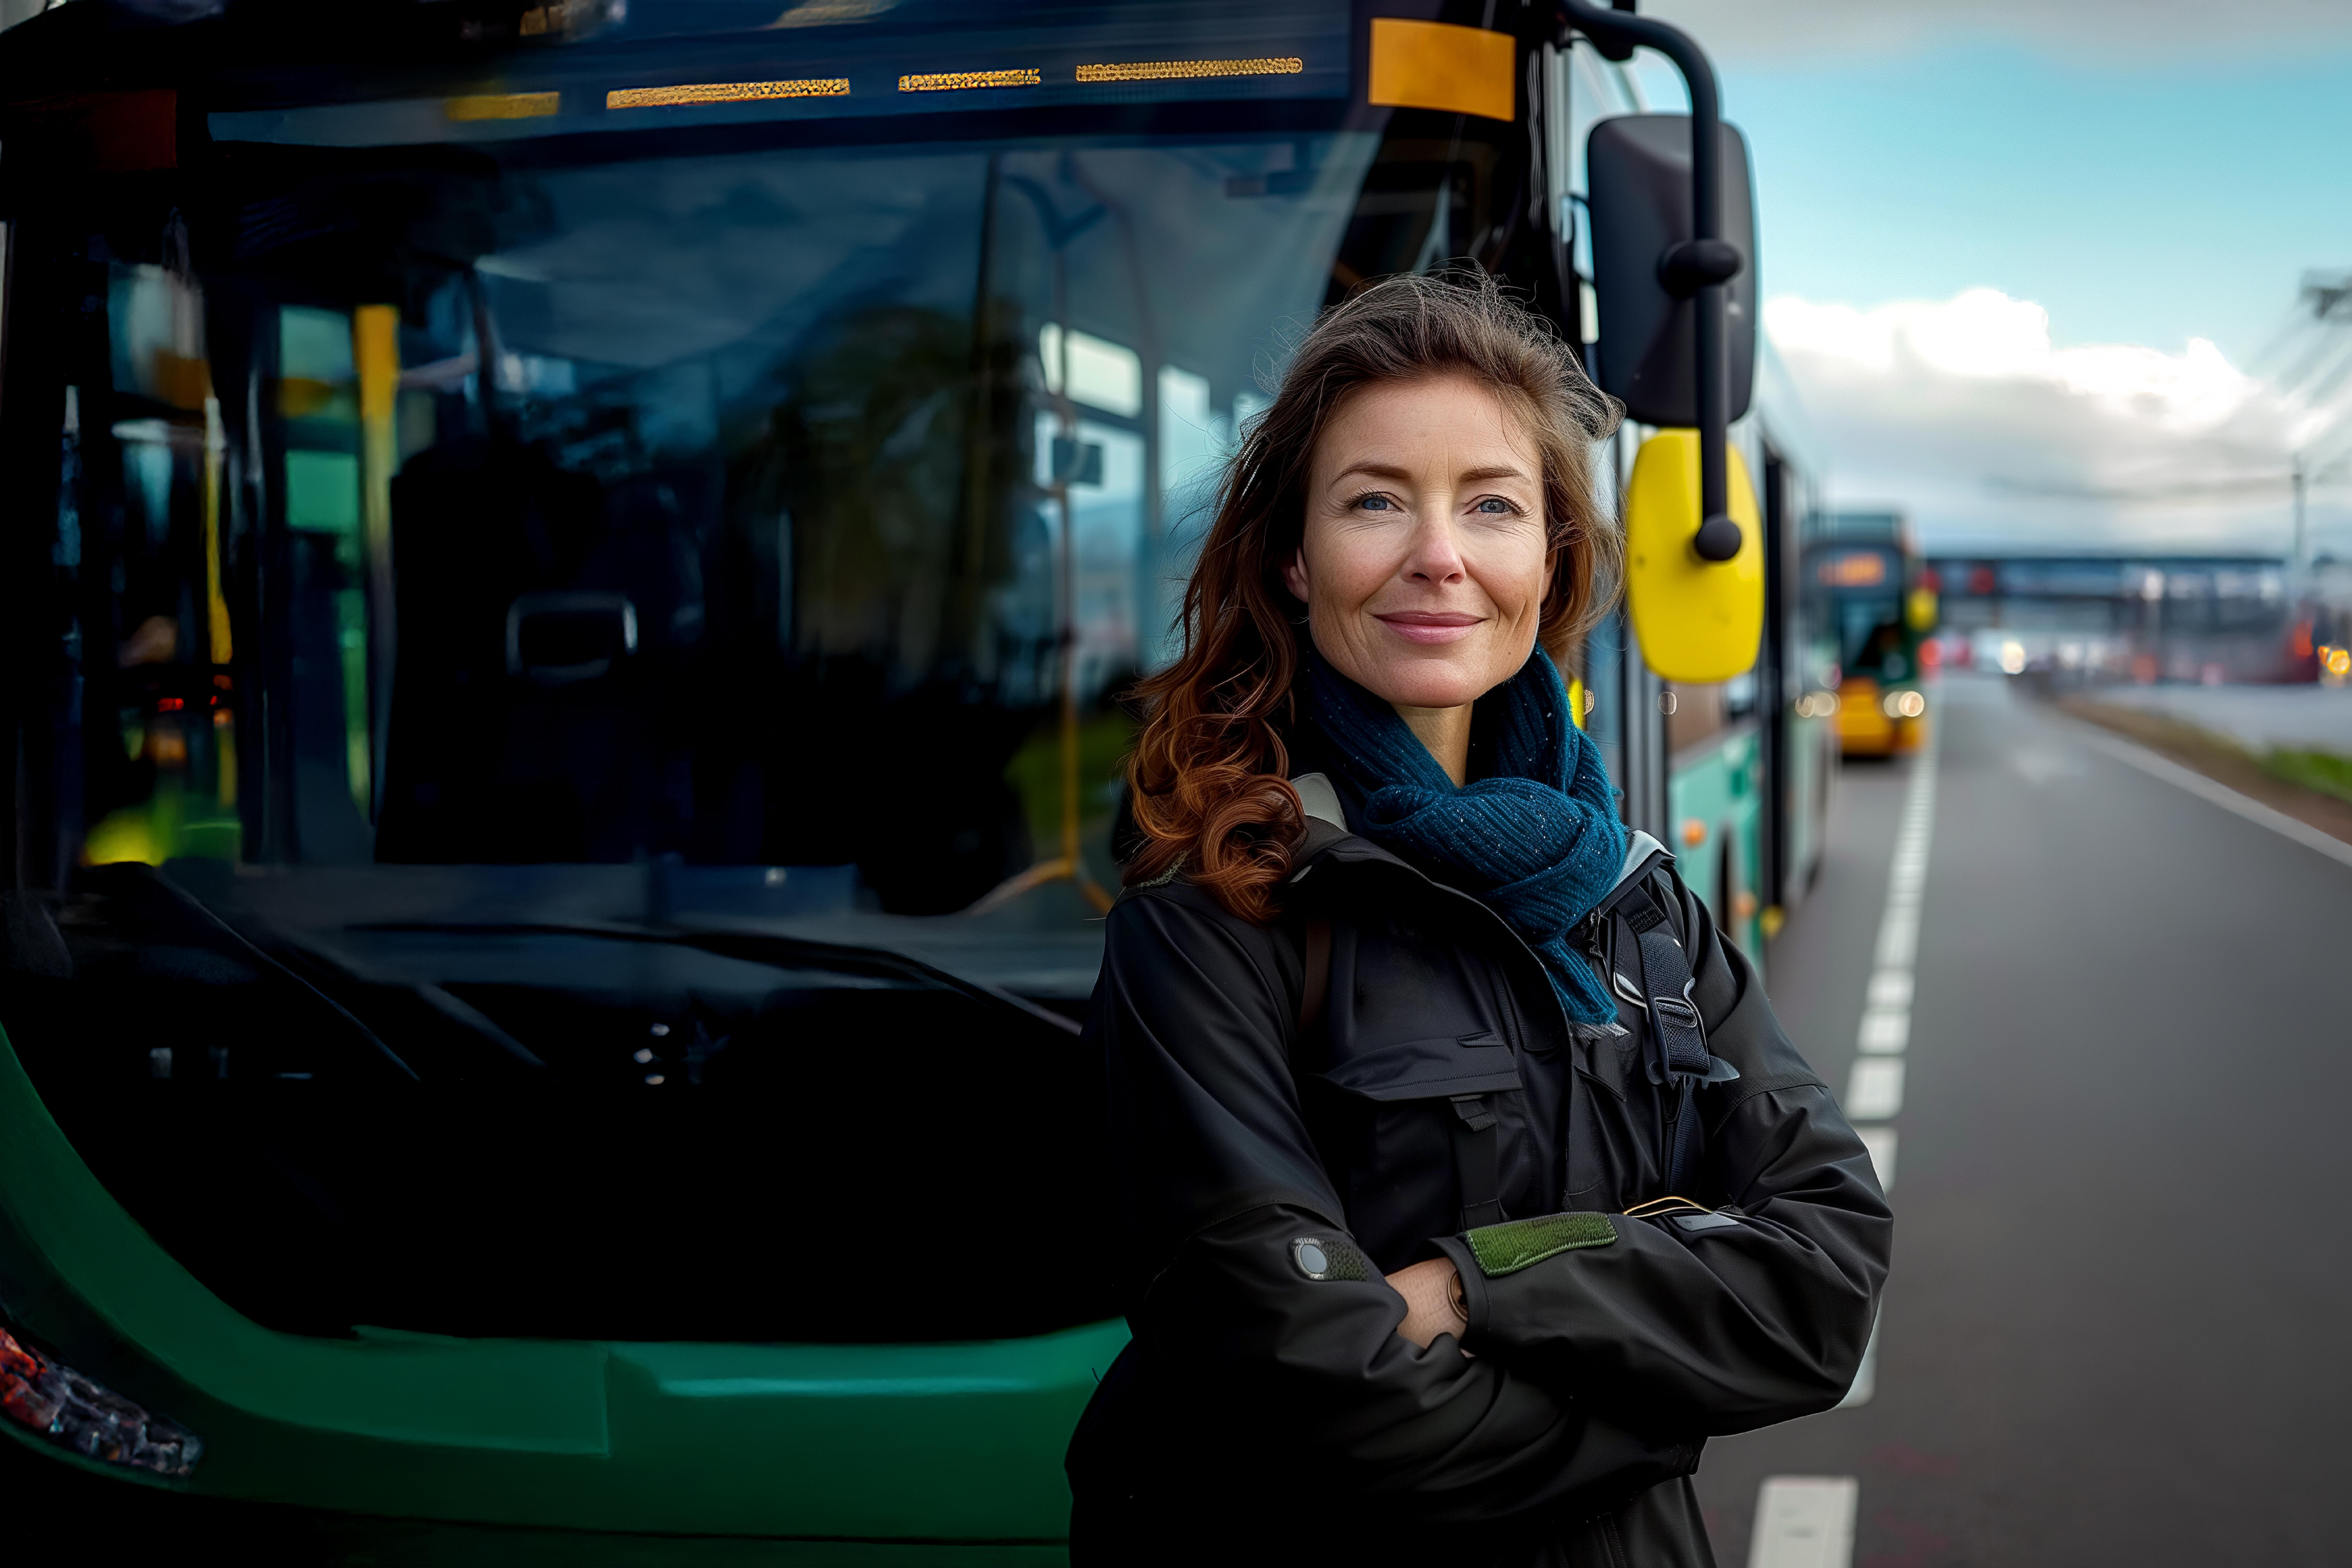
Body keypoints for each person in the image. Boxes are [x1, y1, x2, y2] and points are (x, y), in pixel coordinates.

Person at [1067, 273, 1892, 1566]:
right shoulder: (1209, 926)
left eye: (1492, 504)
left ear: (1551, 555)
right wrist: (1668, 1398)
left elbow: (1830, 1281)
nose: (1438, 554)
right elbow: (1314, 1399)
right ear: (1295, 555)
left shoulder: (1637, 894)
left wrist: (1480, 1280)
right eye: (1376, 499)